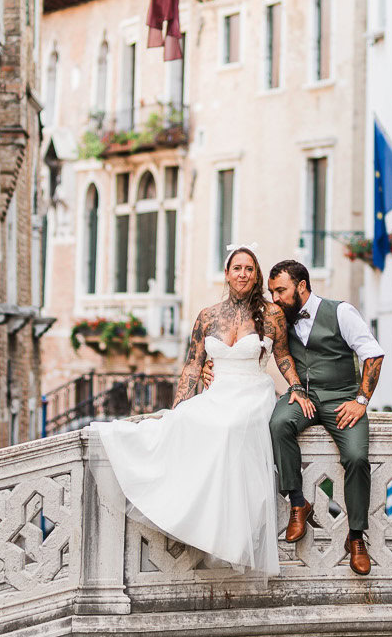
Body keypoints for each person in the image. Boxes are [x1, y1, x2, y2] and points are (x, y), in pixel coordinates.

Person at [91, 246, 307, 574]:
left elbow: (283, 356)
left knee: (229, 429)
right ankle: (193, 518)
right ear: (227, 273)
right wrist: (177, 408)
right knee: (187, 423)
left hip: (252, 392)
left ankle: (230, 534)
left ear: (256, 274)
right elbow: (193, 366)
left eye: (250, 268)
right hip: (219, 391)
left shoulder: (272, 314)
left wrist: (295, 387)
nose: (243, 274)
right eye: (237, 268)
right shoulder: (207, 316)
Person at [267, 258, 384, 576]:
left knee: (357, 457)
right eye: (272, 292)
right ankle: (297, 502)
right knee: (278, 424)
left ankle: (356, 537)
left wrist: (361, 400)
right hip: (302, 397)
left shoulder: (341, 312)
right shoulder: (281, 318)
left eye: (280, 291)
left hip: (342, 400)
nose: (276, 298)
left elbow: (372, 354)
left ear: (301, 286)